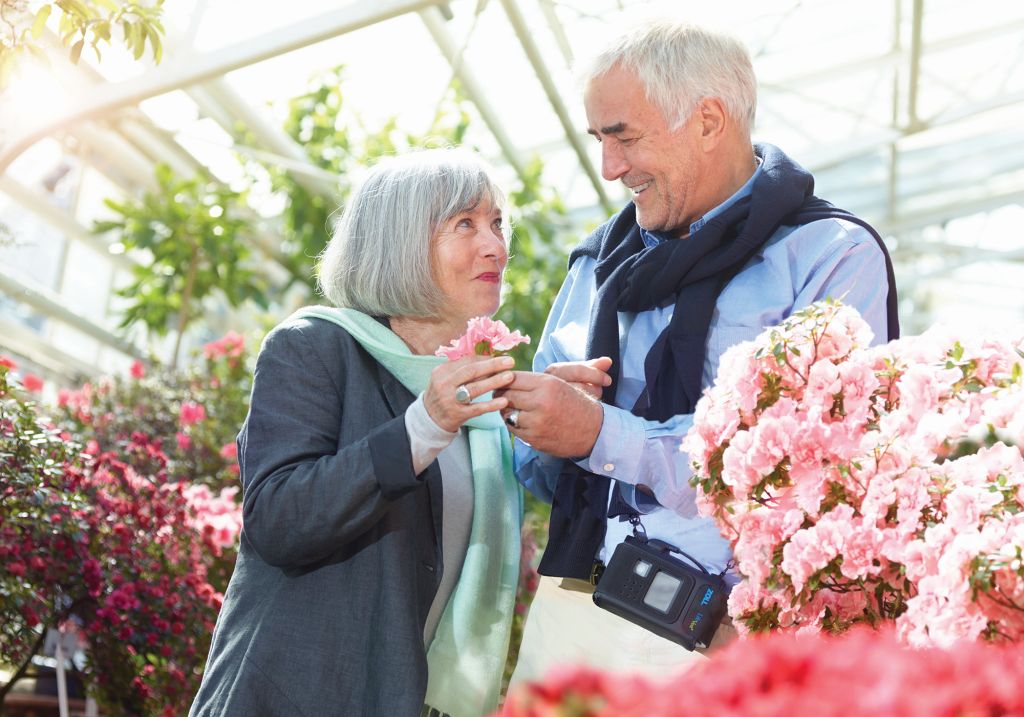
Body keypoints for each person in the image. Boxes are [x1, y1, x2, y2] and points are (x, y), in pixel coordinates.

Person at [500, 20, 899, 684]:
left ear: (710, 121)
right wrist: (543, 428)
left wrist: (601, 432)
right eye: (599, 140)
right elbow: (535, 463)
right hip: (572, 616)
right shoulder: (597, 264)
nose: (609, 168)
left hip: (727, 637)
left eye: (624, 136)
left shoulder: (831, 256)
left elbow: (810, 465)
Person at [189, 148, 523, 717]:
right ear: (400, 243)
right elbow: (278, 519)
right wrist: (424, 426)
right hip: (289, 695)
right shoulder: (314, 346)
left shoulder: (466, 395)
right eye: (464, 223)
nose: (495, 244)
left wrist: (563, 418)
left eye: (495, 223)